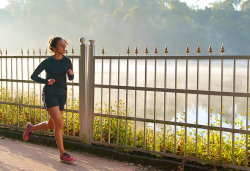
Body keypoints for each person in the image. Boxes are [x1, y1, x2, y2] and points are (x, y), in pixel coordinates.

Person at [23, 36, 76, 164]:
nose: (64, 48)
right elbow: (33, 76)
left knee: (52, 124)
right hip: (50, 94)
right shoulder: (48, 62)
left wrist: (71, 74)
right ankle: (63, 154)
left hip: (62, 94)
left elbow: (71, 78)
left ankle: (31, 128)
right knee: (59, 124)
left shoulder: (67, 61)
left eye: (65, 45)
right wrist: (46, 81)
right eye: (61, 45)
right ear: (53, 48)